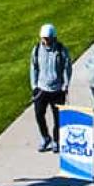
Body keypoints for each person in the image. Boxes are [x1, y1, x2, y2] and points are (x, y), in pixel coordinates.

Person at [30, 24, 70, 152]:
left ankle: (56, 140)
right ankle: (45, 137)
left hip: (57, 89)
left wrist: (65, 84)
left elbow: (66, 67)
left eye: (47, 38)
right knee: (38, 114)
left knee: (58, 117)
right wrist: (34, 85)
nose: (45, 41)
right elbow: (34, 67)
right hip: (42, 89)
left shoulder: (60, 50)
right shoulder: (37, 49)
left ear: (53, 37)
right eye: (43, 38)